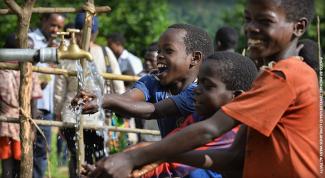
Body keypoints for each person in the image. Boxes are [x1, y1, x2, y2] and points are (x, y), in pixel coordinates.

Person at [83, 0, 320, 177]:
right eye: (248, 19)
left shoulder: (285, 76)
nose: (251, 28)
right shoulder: (273, 78)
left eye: (265, 21)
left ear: (298, 27)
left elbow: (210, 129)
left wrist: (134, 156)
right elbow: (235, 159)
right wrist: (158, 157)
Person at [73, 23, 214, 138]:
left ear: (194, 58)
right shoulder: (154, 81)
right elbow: (127, 99)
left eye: (169, 51)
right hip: (172, 164)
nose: (159, 56)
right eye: (159, 51)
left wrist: (105, 100)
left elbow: (154, 111)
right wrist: (99, 98)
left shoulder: (198, 93)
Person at [137, 51, 258, 178]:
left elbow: (174, 165)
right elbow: (169, 146)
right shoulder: (197, 117)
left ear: (236, 97)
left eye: (208, 86)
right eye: (199, 82)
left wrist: (136, 161)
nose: (196, 89)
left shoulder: (232, 134)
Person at [54, 13, 125, 178]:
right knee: (98, 157)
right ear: (96, 32)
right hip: (95, 115)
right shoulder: (105, 53)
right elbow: (119, 84)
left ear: (75, 32)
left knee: (78, 158)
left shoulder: (67, 54)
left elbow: (59, 90)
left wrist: (58, 113)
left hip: (74, 114)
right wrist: (121, 107)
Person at [28, 13, 65, 178]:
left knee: (42, 149)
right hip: (32, 102)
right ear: (43, 21)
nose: (55, 30)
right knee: (27, 147)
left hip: (48, 105)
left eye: (59, 27)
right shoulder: (30, 40)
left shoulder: (59, 45)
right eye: (52, 25)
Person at [0, 34, 43, 178]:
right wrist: (33, 125)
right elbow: (34, 102)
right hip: (24, 121)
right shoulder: (29, 71)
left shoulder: (1, 69)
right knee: (22, 160)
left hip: (4, 122)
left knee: (7, 161)